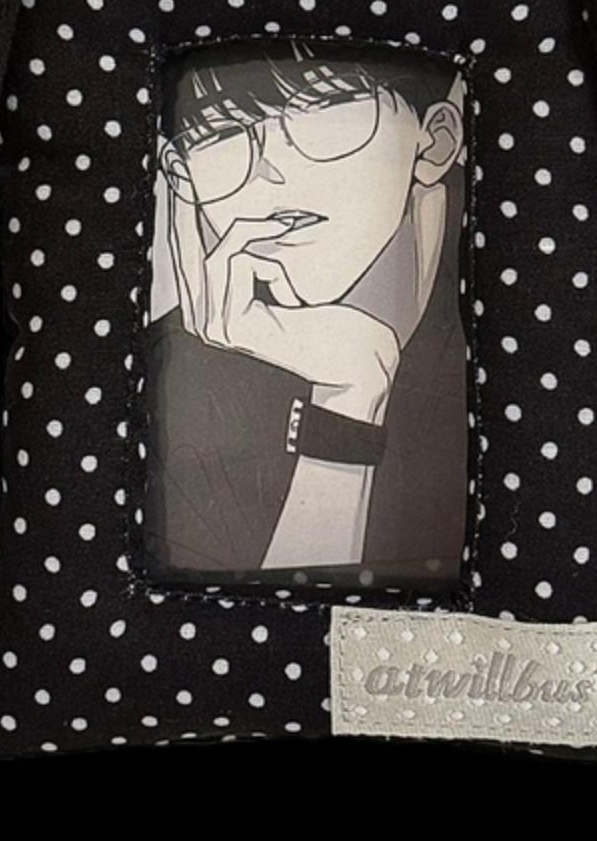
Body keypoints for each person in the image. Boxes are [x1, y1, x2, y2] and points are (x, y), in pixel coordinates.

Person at [141, 36, 470, 592]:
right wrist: (349, 399)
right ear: (180, 175)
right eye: (221, 131)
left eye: (323, 109)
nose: (271, 172)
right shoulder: (176, 376)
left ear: (434, 142)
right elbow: (261, 626)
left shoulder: (511, 319)